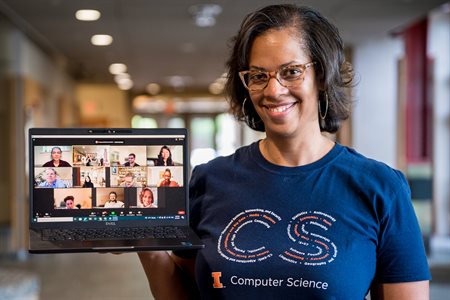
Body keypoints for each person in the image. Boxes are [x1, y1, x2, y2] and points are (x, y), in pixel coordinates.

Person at [137, 4, 430, 299]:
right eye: (258, 75)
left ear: (322, 75)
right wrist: (150, 252)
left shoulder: (380, 187)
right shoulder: (209, 179)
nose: (273, 90)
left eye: (291, 72)